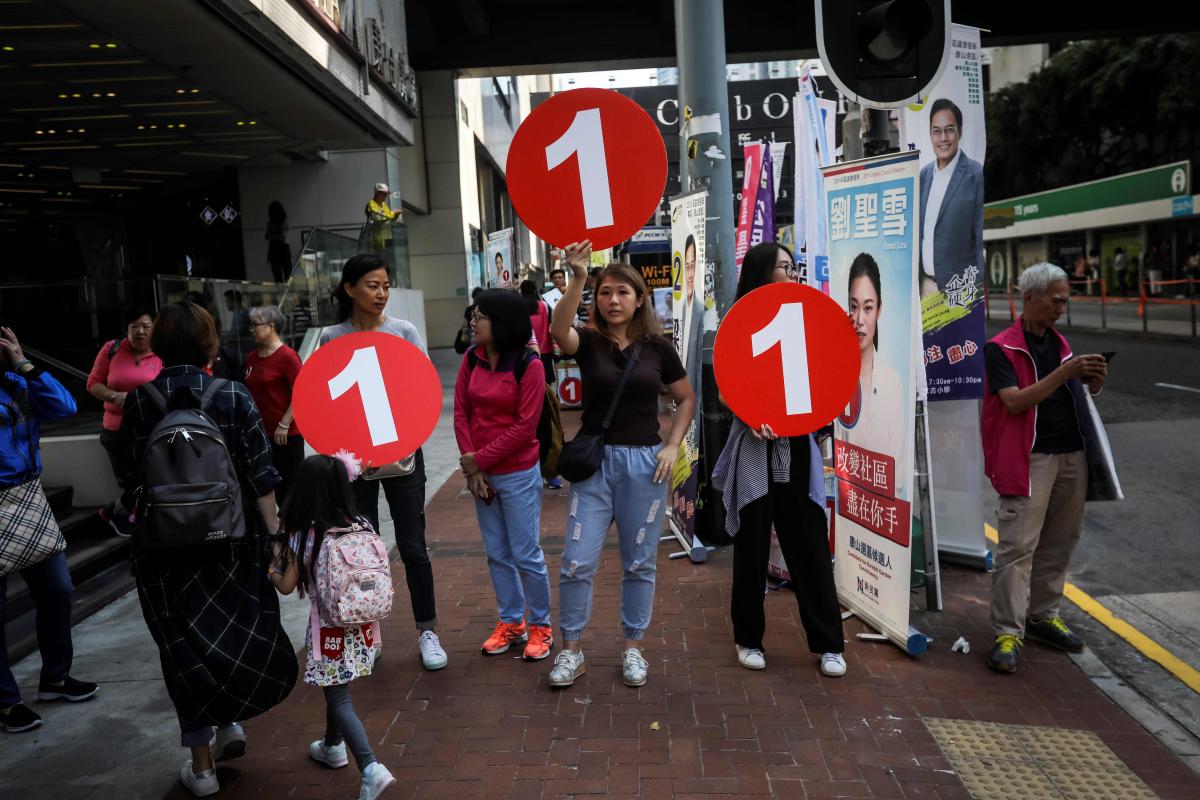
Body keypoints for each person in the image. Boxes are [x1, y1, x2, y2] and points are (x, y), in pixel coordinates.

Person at [116, 303, 296, 796]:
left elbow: (130, 480)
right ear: (210, 344)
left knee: (182, 646)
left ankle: (201, 769)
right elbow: (262, 476)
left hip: (163, 550)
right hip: (234, 544)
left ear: (158, 346)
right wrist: (277, 539)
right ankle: (231, 721)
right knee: (231, 633)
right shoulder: (234, 395)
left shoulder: (138, 402)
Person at [546, 240, 696, 689]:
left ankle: (633, 647)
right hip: (595, 467)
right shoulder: (589, 343)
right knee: (576, 561)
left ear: (639, 299)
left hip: (646, 465)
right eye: (606, 292)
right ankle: (570, 651)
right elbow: (558, 333)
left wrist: (672, 445)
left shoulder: (658, 347)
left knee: (639, 563)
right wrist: (577, 278)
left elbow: (685, 398)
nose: (613, 300)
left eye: (622, 293)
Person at [711, 243, 846, 678]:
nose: (791, 273)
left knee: (807, 542)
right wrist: (747, 416)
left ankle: (828, 643)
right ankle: (747, 638)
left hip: (797, 448)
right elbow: (724, 387)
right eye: (784, 267)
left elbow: (824, 378)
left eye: (793, 267)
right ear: (761, 272)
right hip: (754, 449)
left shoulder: (808, 318)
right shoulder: (738, 323)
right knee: (750, 549)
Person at [320, 254, 448, 672]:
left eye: (385, 285)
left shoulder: (403, 332)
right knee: (361, 550)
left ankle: (427, 631)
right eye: (372, 285)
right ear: (349, 289)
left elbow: (421, 390)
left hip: (403, 455)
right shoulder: (332, 337)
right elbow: (327, 403)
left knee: (413, 546)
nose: (381, 293)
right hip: (353, 462)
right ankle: (368, 634)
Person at [982, 263, 1107, 674]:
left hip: (1072, 455)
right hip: (1028, 459)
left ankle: (1042, 616)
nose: (1061, 308)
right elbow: (1015, 402)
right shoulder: (1001, 347)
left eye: (1066, 301)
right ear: (1028, 297)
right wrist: (1064, 372)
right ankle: (1006, 632)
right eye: (1056, 300)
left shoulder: (1062, 345)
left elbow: (1072, 396)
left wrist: (1093, 382)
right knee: (1017, 547)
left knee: (1060, 541)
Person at [268, 454, 396, 800]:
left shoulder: (304, 530)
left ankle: (371, 768)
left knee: (337, 694)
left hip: (329, 630)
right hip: (363, 624)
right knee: (336, 686)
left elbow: (285, 584)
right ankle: (332, 744)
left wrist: (270, 568)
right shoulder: (360, 522)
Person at [1, 327, 97, 734]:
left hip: (28, 497)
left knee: (58, 590)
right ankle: (5, 702)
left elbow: (64, 407)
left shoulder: (16, 381)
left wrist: (23, 362)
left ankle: (55, 676)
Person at [454, 289, 554, 662]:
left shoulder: (530, 364)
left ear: (503, 322)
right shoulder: (472, 357)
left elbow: (525, 428)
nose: (473, 321)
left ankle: (541, 626)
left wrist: (477, 461)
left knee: (526, 553)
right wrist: (472, 465)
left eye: (480, 316)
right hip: (481, 473)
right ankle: (512, 623)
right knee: (497, 553)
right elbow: (462, 413)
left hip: (516, 473)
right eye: (473, 315)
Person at [836, 253, 910, 498]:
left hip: (880, 512)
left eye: (868, 308)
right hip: (848, 503)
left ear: (879, 309)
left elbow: (897, 475)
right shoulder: (838, 377)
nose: (859, 320)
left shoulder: (893, 383)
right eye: (854, 306)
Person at [87, 307, 163, 536]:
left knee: (154, 478)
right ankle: (130, 519)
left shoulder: (163, 352)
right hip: (116, 430)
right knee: (130, 481)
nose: (140, 332)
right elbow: (93, 384)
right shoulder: (112, 349)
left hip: (152, 429)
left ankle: (116, 511)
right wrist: (114, 396)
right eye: (134, 327)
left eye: (146, 327)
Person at [918, 98, 985, 298]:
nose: (943, 138)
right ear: (930, 134)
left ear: (960, 132)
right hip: (927, 288)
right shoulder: (924, 175)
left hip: (961, 290)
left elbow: (979, 237)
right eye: (936, 131)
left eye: (949, 129)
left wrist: (978, 292)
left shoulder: (975, 173)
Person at [244, 305, 304, 505]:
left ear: (271, 326)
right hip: (260, 434)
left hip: (286, 436)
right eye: (250, 325)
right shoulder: (252, 357)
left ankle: (295, 532)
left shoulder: (288, 357)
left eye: (255, 325)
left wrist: (285, 424)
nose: (251, 329)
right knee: (267, 485)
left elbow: (302, 393)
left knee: (291, 487)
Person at [364, 182, 401, 254]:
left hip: (387, 237)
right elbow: (379, 217)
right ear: (377, 193)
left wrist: (395, 216)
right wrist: (393, 214)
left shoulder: (383, 205)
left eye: (386, 194)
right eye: (384, 194)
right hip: (376, 240)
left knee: (388, 261)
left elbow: (390, 218)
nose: (385, 196)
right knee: (379, 260)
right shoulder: (371, 204)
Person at [265, 200, 292, 284]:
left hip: (281, 247)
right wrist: (274, 233)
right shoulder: (271, 222)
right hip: (276, 248)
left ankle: (286, 292)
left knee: (286, 273)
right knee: (278, 275)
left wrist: (272, 233)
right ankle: (283, 293)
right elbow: (267, 236)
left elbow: (282, 235)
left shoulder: (284, 221)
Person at [455, 287, 484, 355]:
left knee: (469, 351)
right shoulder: (484, 308)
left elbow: (465, 324)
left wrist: (461, 331)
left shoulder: (469, 309)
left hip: (468, 333)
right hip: (480, 333)